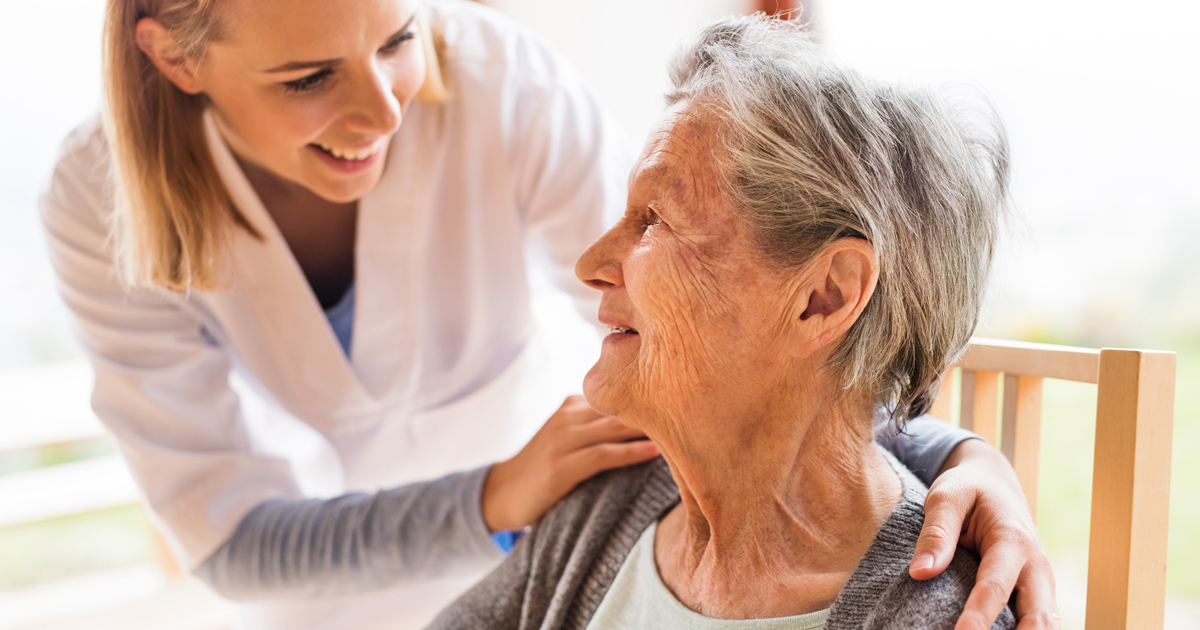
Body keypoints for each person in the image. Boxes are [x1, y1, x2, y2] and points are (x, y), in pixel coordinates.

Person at [39, 1, 1054, 629]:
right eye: (307, 77)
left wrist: (955, 454)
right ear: (177, 58)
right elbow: (231, 538)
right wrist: (496, 501)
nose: (386, 109)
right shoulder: (95, 202)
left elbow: (750, 328)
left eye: (400, 38)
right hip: (384, 585)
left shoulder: (500, 86)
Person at [428, 14, 1047, 630]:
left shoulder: (940, 617)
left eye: (654, 219)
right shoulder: (605, 507)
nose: (590, 265)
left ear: (824, 297)